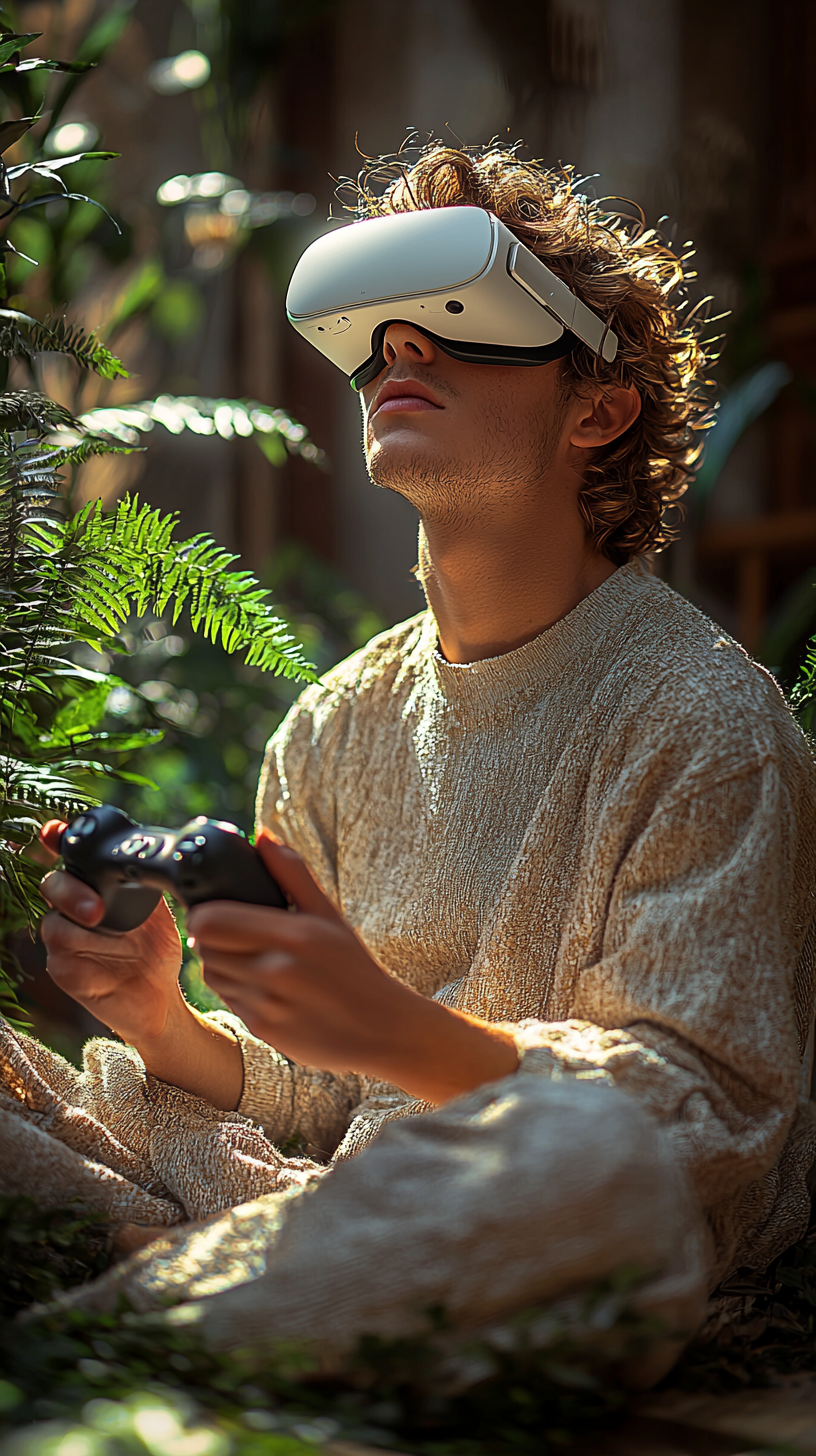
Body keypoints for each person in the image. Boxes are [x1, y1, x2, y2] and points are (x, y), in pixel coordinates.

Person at [2, 143, 814, 1385]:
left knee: (587, 1179)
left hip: (541, 1226)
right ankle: (181, 1279)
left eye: (457, 321)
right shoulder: (333, 728)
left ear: (596, 409)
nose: (401, 354)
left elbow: (708, 1125)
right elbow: (319, 1097)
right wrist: (162, 1019)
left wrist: (391, 1026)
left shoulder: (700, 719)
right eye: (378, 334)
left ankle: (108, 1337)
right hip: (335, 1200)